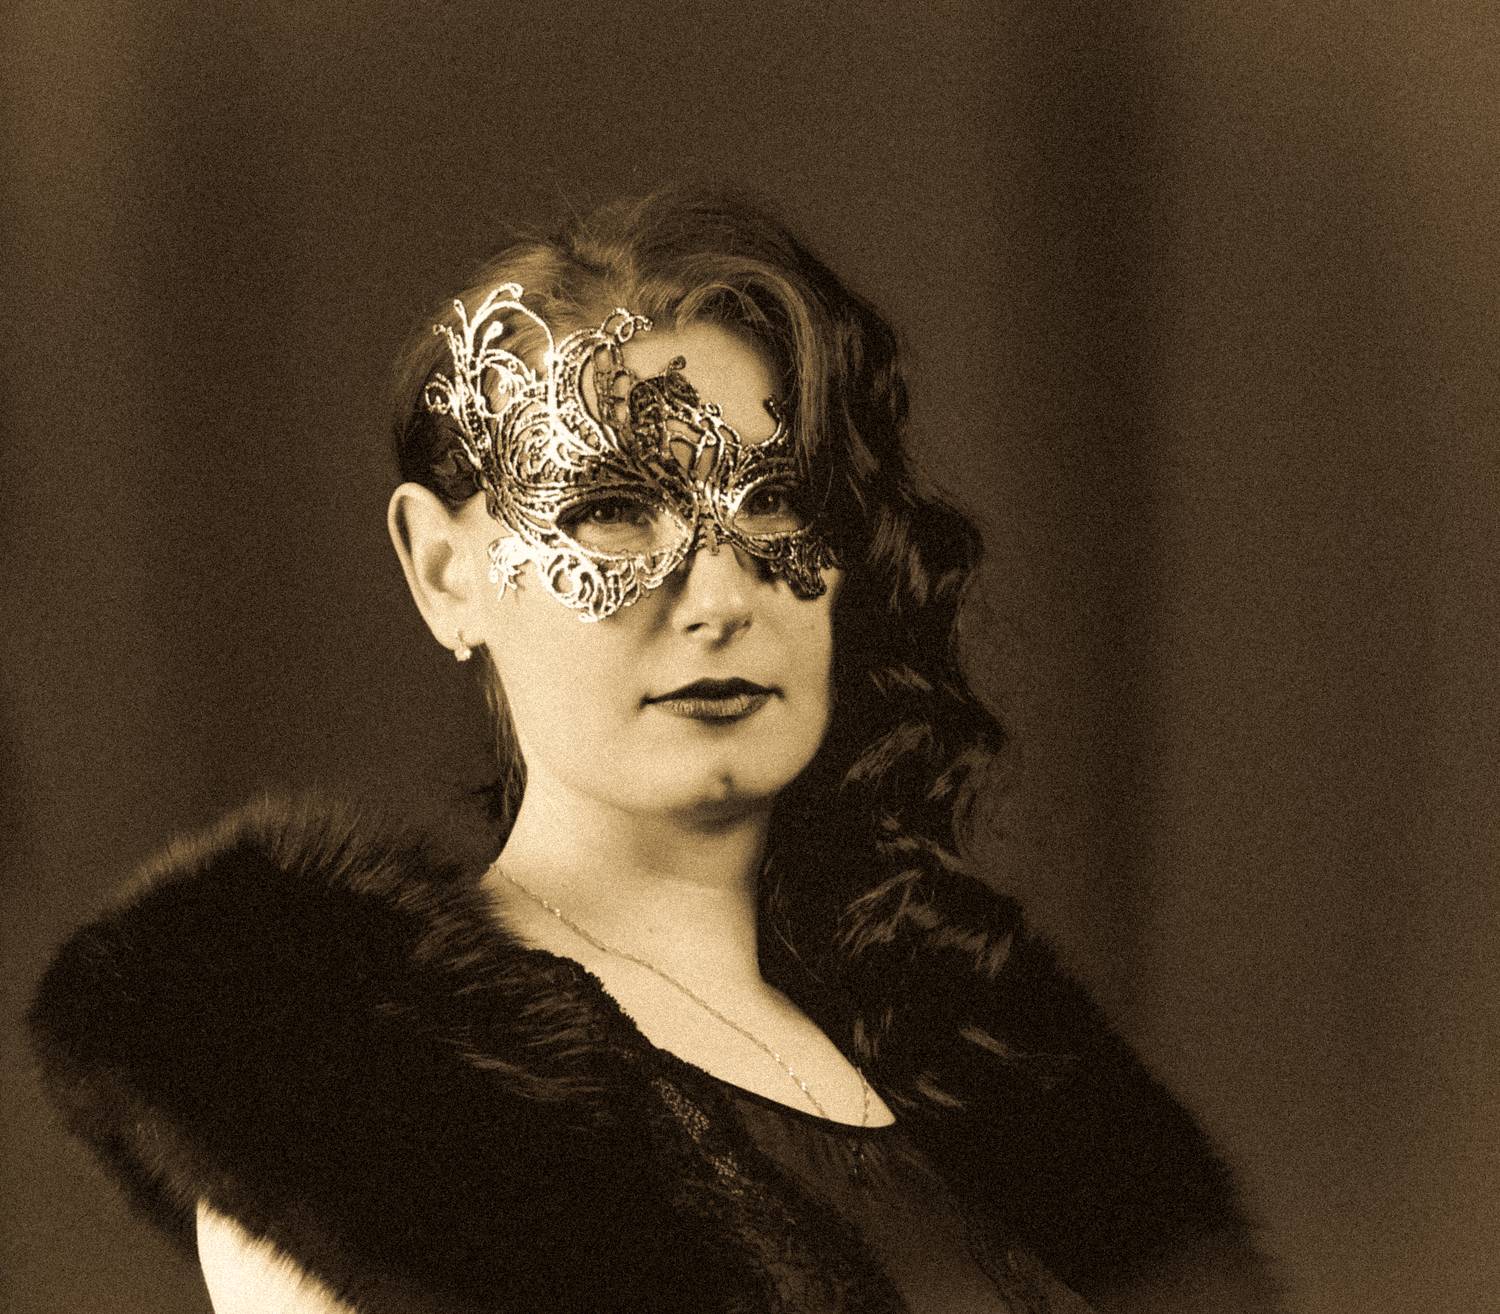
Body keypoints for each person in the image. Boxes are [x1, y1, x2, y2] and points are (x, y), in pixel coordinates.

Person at [28, 192, 1283, 1313]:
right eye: (614, 510)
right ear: (444, 571)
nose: (721, 595)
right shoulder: (360, 1135)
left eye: (776, 501)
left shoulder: (993, 1065)